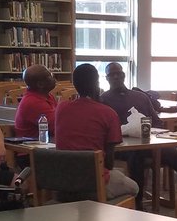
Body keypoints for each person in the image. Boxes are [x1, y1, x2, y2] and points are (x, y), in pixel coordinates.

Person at [101, 62, 177, 197]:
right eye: (112, 75)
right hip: (122, 147)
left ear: (124, 75)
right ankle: (138, 203)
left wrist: (148, 130)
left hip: (147, 142)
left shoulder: (140, 97)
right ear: (107, 78)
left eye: (119, 74)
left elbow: (157, 122)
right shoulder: (103, 100)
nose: (116, 77)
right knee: (136, 158)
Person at [53, 63, 138, 202]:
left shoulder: (60, 108)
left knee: (119, 174)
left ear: (74, 85)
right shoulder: (108, 113)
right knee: (134, 187)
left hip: (65, 182)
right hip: (94, 182)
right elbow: (109, 163)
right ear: (97, 84)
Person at [13, 63, 57, 139]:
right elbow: (57, 126)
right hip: (32, 147)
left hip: (46, 143)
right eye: (50, 76)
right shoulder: (33, 102)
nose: (54, 78)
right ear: (40, 84)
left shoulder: (48, 96)